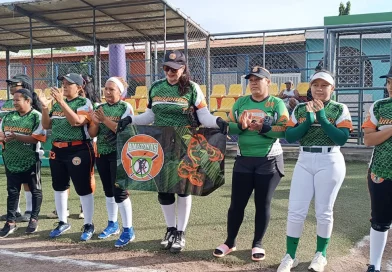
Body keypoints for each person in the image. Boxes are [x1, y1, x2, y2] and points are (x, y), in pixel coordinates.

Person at [116, 50, 227, 253]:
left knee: (184, 189)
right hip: (161, 143)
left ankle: (181, 233)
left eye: (175, 69)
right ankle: (170, 229)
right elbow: (149, 116)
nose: (170, 72)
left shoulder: (192, 89)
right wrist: (130, 119)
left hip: (185, 143)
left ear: (183, 68)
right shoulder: (156, 88)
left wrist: (217, 121)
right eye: (167, 68)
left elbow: (203, 116)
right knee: (164, 190)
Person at [277, 70, 353, 272]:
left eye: (324, 85)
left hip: (330, 159)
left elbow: (342, 139)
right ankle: (289, 256)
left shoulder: (339, 108)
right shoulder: (301, 108)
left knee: (324, 211)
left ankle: (321, 255)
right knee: (295, 210)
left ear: (332, 88)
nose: (319, 89)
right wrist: (310, 119)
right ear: (310, 87)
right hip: (305, 158)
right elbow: (291, 136)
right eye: (315, 85)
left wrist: (322, 117)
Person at [212, 66, 288, 261]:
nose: (253, 83)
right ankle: (230, 242)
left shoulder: (276, 103)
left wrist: (265, 128)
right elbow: (228, 127)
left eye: (258, 79)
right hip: (244, 160)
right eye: (251, 79)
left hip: (269, 161)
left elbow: (284, 130)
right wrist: (241, 126)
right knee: (236, 204)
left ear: (268, 82)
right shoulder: (241, 103)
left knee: (262, 204)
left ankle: (257, 244)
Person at [39, 73, 95, 241]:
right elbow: (47, 125)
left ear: (79, 87)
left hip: (78, 149)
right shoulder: (56, 105)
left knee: (83, 187)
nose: (64, 86)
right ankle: (63, 221)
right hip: (58, 149)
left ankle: (88, 223)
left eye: (68, 83)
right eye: (63, 83)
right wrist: (44, 108)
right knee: (59, 186)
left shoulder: (83, 102)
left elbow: (76, 121)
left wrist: (62, 102)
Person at [88, 76, 135, 247]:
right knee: (108, 191)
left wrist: (104, 119)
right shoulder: (99, 108)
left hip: (119, 154)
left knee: (120, 192)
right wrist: (94, 121)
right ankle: (112, 224)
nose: (107, 92)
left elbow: (121, 130)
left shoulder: (125, 107)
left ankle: (128, 229)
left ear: (120, 92)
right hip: (102, 153)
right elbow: (93, 133)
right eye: (105, 89)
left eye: (111, 89)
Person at [0, 89, 46, 237]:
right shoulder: (8, 117)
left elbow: (36, 138)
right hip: (11, 159)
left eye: (17, 100)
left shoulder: (36, 116)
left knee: (35, 189)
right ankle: (10, 222)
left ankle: (34, 218)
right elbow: (1, 134)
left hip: (31, 159)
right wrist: (3, 138)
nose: (14, 103)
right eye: (13, 100)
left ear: (28, 101)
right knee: (12, 191)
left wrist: (16, 136)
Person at [362, 66, 392, 272]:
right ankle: (374, 265)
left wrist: (385, 131)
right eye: (389, 82)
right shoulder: (380, 106)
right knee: (379, 220)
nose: (390, 87)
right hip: (380, 172)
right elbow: (369, 139)